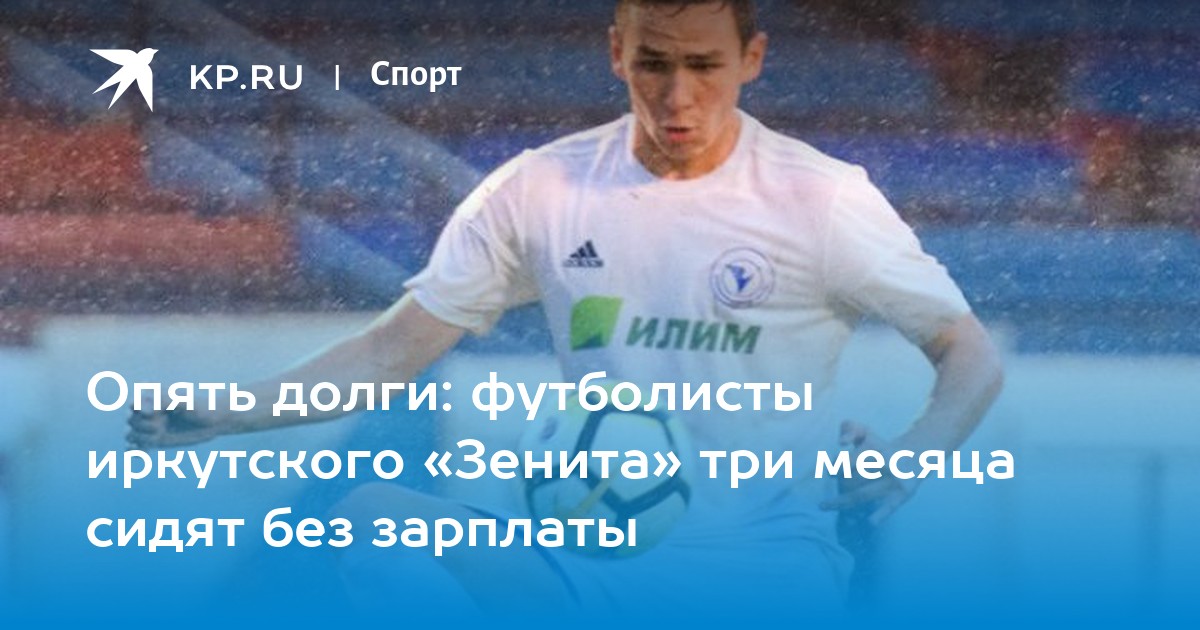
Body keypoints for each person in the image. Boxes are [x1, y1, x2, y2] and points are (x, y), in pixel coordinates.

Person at [127, 0, 1003, 620]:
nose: (678, 95)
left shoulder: (823, 199)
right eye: (654, 63)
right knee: (374, 518)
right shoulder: (541, 189)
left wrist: (914, 452)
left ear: (753, 59)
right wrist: (225, 413)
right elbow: (391, 353)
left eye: (704, 66)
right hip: (588, 563)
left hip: (762, 575)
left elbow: (969, 354)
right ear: (617, 53)